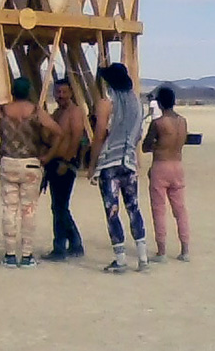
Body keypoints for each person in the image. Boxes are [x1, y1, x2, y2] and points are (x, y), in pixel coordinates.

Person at [0, 77, 60, 268]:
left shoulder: (2, 110)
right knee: (29, 210)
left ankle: (10, 254)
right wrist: (48, 155)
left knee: (9, 208)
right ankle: (27, 254)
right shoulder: (36, 111)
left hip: (8, 162)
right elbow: (57, 131)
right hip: (31, 163)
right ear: (29, 91)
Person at [88, 63, 149, 273]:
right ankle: (142, 257)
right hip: (129, 161)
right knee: (134, 208)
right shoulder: (138, 104)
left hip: (109, 163)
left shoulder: (106, 104)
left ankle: (121, 258)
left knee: (112, 210)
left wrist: (92, 165)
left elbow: (99, 136)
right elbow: (139, 134)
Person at [143, 86, 191, 262]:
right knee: (180, 209)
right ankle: (185, 248)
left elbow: (146, 146)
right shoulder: (182, 121)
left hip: (161, 165)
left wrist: (156, 145)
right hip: (177, 164)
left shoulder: (159, 123)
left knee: (159, 209)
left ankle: (162, 250)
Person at [41, 79, 86, 261]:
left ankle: (60, 246)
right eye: (58, 92)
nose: (60, 96)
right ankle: (74, 243)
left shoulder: (74, 112)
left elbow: (76, 137)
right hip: (55, 163)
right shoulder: (57, 112)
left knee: (60, 207)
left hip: (65, 164)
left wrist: (66, 162)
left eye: (64, 92)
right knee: (58, 206)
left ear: (71, 93)